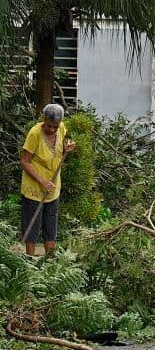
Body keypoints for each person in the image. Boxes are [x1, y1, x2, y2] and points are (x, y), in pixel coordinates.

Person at [19, 103, 76, 256]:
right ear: (44, 119)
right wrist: (42, 181)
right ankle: (29, 262)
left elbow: (61, 148)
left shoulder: (61, 128)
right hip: (34, 189)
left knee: (50, 228)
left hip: (53, 189)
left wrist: (67, 148)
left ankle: (50, 265)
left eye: (55, 127)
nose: (52, 129)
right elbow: (24, 162)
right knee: (32, 228)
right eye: (49, 126)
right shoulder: (34, 134)